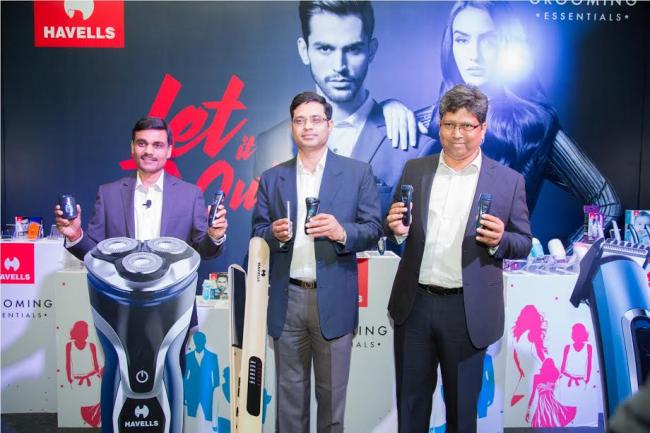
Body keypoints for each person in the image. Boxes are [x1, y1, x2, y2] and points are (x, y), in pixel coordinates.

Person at [386, 84, 532, 433]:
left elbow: (523, 242)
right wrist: (396, 231)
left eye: (467, 125)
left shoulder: (508, 181)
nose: (457, 134)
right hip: (414, 306)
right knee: (410, 409)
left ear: (483, 129)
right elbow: (394, 227)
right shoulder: (415, 170)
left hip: (468, 312)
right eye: (449, 124)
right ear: (440, 125)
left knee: (462, 414)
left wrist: (500, 241)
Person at [415, 0, 620, 245]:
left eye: (488, 40)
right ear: (451, 46)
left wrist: (565, 259)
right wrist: (387, 108)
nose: (474, 54)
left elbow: (607, 203)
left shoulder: (535, 126)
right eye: (462, 40)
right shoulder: (429, 121)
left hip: (499, 266)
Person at [252, 91, 382, 433]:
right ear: (291, 127)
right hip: (287, 299)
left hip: (334, 300)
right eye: (299, 120)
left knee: (332, 401)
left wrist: (342, 232)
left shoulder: (357, 173)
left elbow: (373, 229)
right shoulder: (272, 178)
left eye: (315, 119)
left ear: (329, 125)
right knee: (289, 403)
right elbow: (257, 233)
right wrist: (274, 234)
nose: (307, 127)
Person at [253, 1, 433, 215]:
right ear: (304, 50)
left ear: (371, 50)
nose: (339, 65)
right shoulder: (270, 144)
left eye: (353, 49)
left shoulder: (414, 148)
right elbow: (264, 228)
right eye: (325, 48)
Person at [54, 116, 227, 260]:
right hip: (120, 289)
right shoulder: (108, 194)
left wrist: (214, 236)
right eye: (142, 144)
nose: (148, 151)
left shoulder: (190, 195)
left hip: (173, 289)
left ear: (169, 151)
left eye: (157, 145)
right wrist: (75, 235)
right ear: (132, 147)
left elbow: (203, 252)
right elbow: (94, 254)